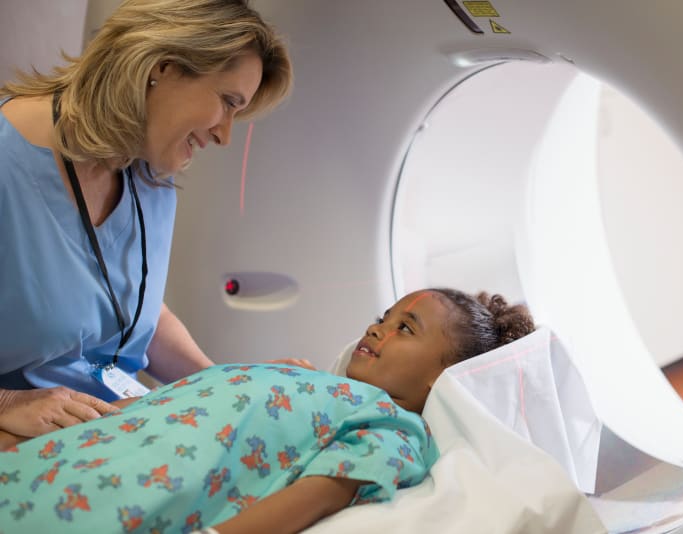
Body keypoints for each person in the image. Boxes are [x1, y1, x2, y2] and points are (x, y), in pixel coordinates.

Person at [0, 288, 534, 534]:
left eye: (405, 329)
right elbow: (177, 404)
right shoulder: (306, 376)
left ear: (441, 379)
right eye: (383, 316)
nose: (377, 329)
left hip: (127, 492)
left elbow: (324, 490)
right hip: (86, 442)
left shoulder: (395, 426)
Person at [0, 0, 292, 443]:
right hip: (31, 434)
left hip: (114, 422)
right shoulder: (7, 162)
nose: (225, 135)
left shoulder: (147, 173)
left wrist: (228, 388)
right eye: (227, 103)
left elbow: (136, 308)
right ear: (163, 67)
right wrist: (8, 403)